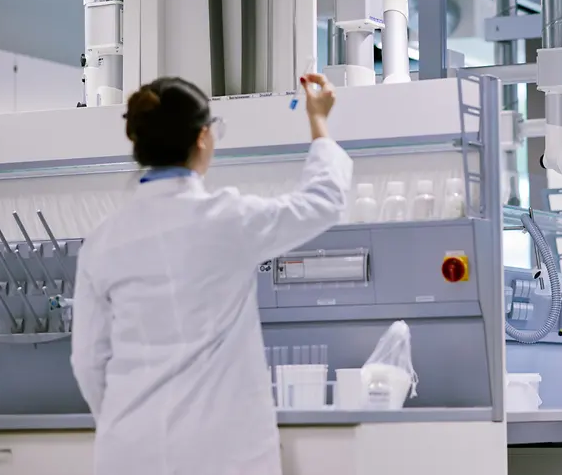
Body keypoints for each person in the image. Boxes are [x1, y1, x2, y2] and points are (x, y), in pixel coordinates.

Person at [70, 73, 352, 475]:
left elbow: (87, 360)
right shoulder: (228, 221)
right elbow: (323, 202)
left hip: (129, 452)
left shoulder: (103, 241)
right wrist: (319, 121)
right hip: (219, 453)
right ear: (203, 138)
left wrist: (128, 421)